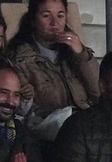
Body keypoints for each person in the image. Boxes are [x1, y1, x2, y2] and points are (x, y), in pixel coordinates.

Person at [5, 0, 99, 132]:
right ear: (33, 20)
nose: (54, 23)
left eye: (60, 16)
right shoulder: (19, 59)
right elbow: (24, 111)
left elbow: (100, 92)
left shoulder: (75, 53)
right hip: (47, 131)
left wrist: (82, 55)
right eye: (46, 16)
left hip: (84, 124)